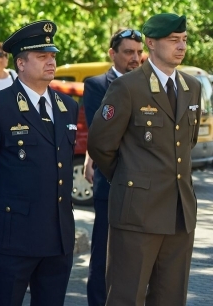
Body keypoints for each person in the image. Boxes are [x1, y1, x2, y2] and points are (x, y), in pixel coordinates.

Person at [0, 20, 78, 306]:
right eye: (42, 56)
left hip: (58, 236)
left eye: (52, 56)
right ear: (21, 63)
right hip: (12, 236)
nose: (51, 62)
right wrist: (7, 207)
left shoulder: (67, 107)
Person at [88, 13, 200, 306]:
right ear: (151, 43)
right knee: (127, 296)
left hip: (179, 214)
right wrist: (130, 179)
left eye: (184, 40)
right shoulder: (128, 87)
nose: (181, 46)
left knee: (170, 298)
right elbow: (100, 144)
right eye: (173, 40)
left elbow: (185, 144)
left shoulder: (192, 87)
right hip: (137, 213)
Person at [82, 29, 143, 306]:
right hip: (110, 183)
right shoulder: (97, 85)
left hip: (144, 188)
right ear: (112, 54)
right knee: (103, 255)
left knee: (136, 258)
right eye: (128, 52)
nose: (135, 58)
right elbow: (103, 135)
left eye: (139, 52)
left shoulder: (149, 84)